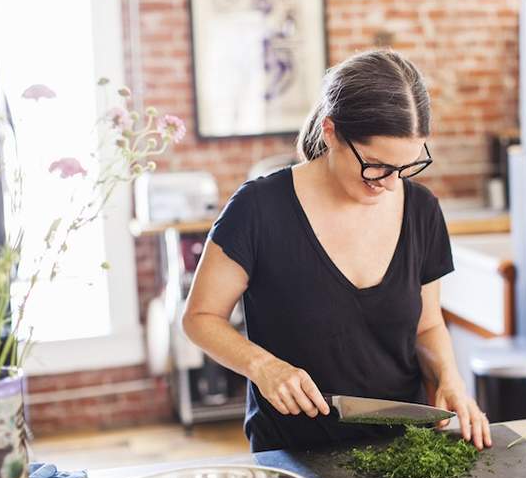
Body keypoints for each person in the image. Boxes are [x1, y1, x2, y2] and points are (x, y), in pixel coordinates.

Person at [182, 49, 492, 453]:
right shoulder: (258, 210)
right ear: (330, 132)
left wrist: (450, 377)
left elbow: (427, 325)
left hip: (405, 448)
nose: (390, 184)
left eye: (406, 167)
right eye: (377, 165)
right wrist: (263, 367)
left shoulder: (422, 210)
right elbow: (200, 318)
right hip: (294, 452)